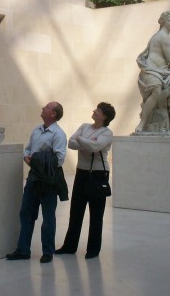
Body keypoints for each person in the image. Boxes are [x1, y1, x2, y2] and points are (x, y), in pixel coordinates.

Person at [6, 102, 67, 264]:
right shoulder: (37, 130)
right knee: (26, 214)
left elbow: (59, 159)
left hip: (48, 181)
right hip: (33, 179)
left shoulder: (58, 134)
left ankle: (48, 251)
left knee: (48, 218)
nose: (42, 108)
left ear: (53, 114)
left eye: (47, 107)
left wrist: (37, 160)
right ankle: (23, 250)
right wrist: (27, 157)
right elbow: (28, 149)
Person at [55, 102, 116, 260]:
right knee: (76, 211)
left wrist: (81, 139)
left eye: (98, 110)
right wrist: (87, 142)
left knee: (96, 214)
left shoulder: (107, 133)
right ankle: (69, 246)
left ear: (105, 116)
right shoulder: (85, 126)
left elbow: (95, 147)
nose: (94, 111)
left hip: (98, 174)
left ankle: (93, 250)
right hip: (81, 172)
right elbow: (71, 143)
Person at [135, 11, 170, 133]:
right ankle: (143, 122)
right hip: (152, 70)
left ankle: (158, 105)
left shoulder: (162, 36)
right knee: (157, 90)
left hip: (162, 71)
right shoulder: (163, 36)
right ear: (163, 22)